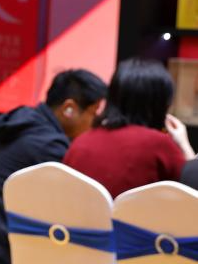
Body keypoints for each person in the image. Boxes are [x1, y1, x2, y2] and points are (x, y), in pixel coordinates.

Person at [0, 69, 107, 264]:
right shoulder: (47, 145)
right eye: (93, 113)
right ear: (69, 109)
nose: (94, 123)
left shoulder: (25, 124)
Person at [64, 59, 196, 198]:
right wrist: (184, 145)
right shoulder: (160, 146)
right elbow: (192, 190)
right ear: (160, 102)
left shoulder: (80, 142)